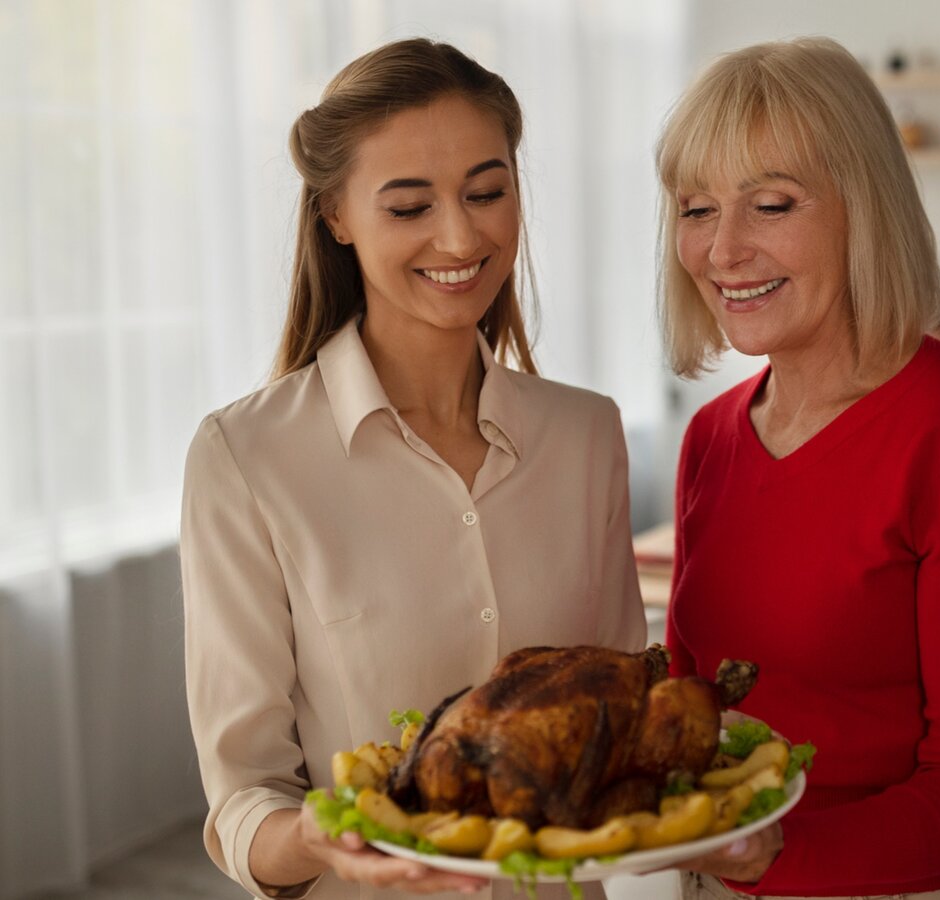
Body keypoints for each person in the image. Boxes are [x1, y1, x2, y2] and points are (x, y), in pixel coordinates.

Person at [180, 39, 646, 900]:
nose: (461, 235)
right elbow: (243, 800)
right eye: (408, 206)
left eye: (487, 192)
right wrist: (318, 837)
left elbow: (623, 712)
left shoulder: (588, 435)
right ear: (335, 215)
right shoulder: (245, 458)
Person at [654, 38, 940, 898]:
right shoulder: (712, 436)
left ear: (863, 209)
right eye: (696, 209)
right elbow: (691, 713)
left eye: (770, 204)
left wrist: (774, 856)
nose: (723, 251)